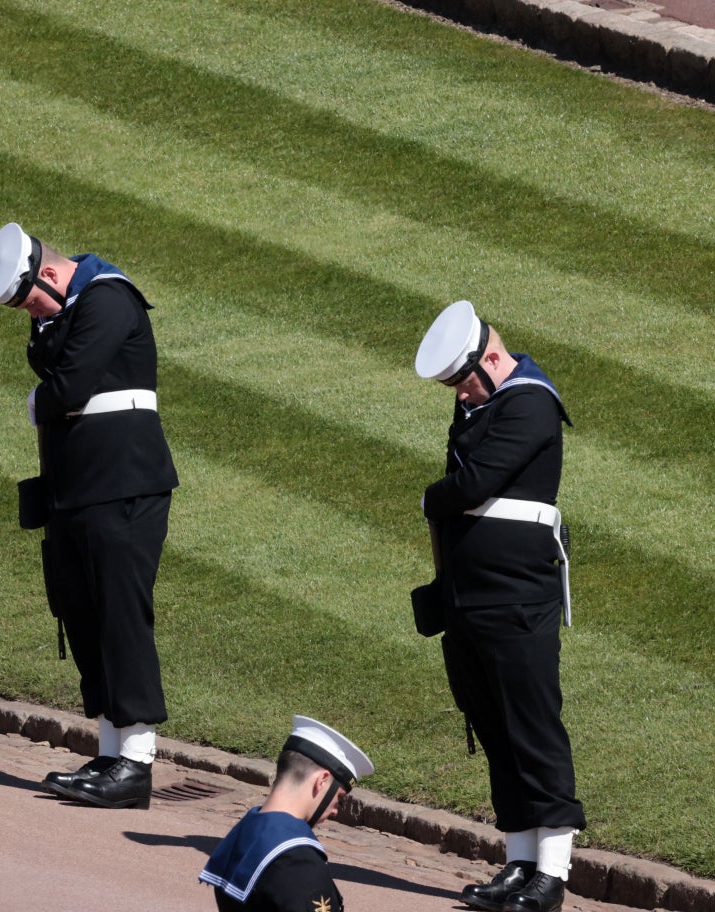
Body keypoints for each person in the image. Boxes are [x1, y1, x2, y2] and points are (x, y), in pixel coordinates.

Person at [0, 223, 179, 809]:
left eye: (29, 300)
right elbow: (51, 365)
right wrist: (44, 328)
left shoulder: (109, 298)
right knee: (82, 611)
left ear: (48, 272)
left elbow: (65, 388)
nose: (29, 314)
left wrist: (41, 399)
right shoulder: (67, 309)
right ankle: (112, 748)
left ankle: (136, 762)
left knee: (120, 613)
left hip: (123, 485)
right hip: (79, 487)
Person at [414, 300, 584, 912]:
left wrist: (436, 497)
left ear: (490, 357)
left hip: (516, 596)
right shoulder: (484, 401)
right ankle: (518, 859)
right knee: (491, 725)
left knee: (532, 727)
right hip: (471, 598)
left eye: (462, 382)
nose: (459, 397)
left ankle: (553, 874)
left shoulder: (531, 401)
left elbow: (471, 484)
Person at [200, 716, 374, 912]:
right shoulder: (297, 860)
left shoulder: (245, 833)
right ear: (322, 781)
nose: (335, 810)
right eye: (339, 798)